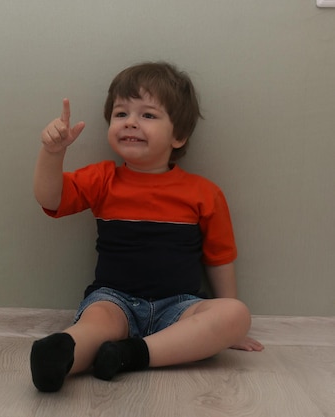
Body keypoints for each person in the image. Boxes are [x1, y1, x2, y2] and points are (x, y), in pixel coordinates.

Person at [30, 62, 264, 393]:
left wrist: (231, 330)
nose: (131, 123)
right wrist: (52, 153)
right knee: (97, 324)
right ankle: (59, 355)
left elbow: (220, 257)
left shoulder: (203, 192)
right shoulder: (103, 178)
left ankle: (132, 355)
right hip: (113, 300)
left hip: (180, 307)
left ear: (178, 135)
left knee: (236, 314)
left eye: (148, 115)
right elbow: (50, 198)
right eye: (121, 114)